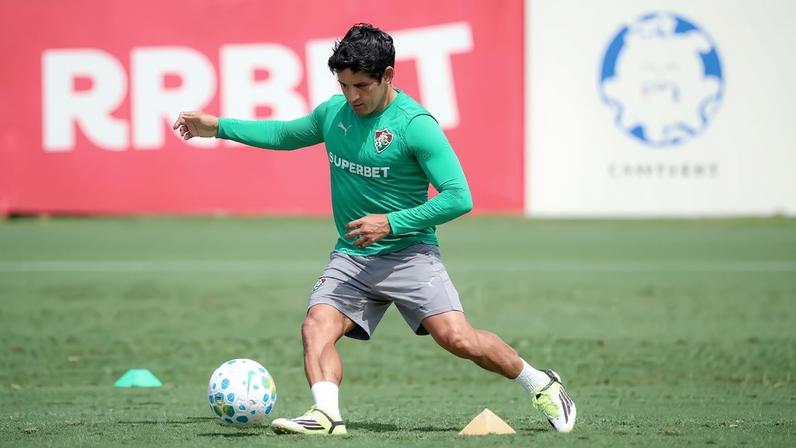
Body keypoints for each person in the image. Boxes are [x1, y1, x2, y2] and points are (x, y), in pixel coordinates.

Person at [173, 23, 575, 435]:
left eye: (361, 86)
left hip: (410, 254)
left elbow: (459, 196)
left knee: (458, 339)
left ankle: (541, 382)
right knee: (316, 326)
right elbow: (282, 133)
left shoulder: (415, 124)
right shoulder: (334, 114)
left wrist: (391, 222)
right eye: (344, 85)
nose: (352, 96)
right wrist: (217, 126)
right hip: (352, 255)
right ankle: (327, 416)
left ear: (388, 75)